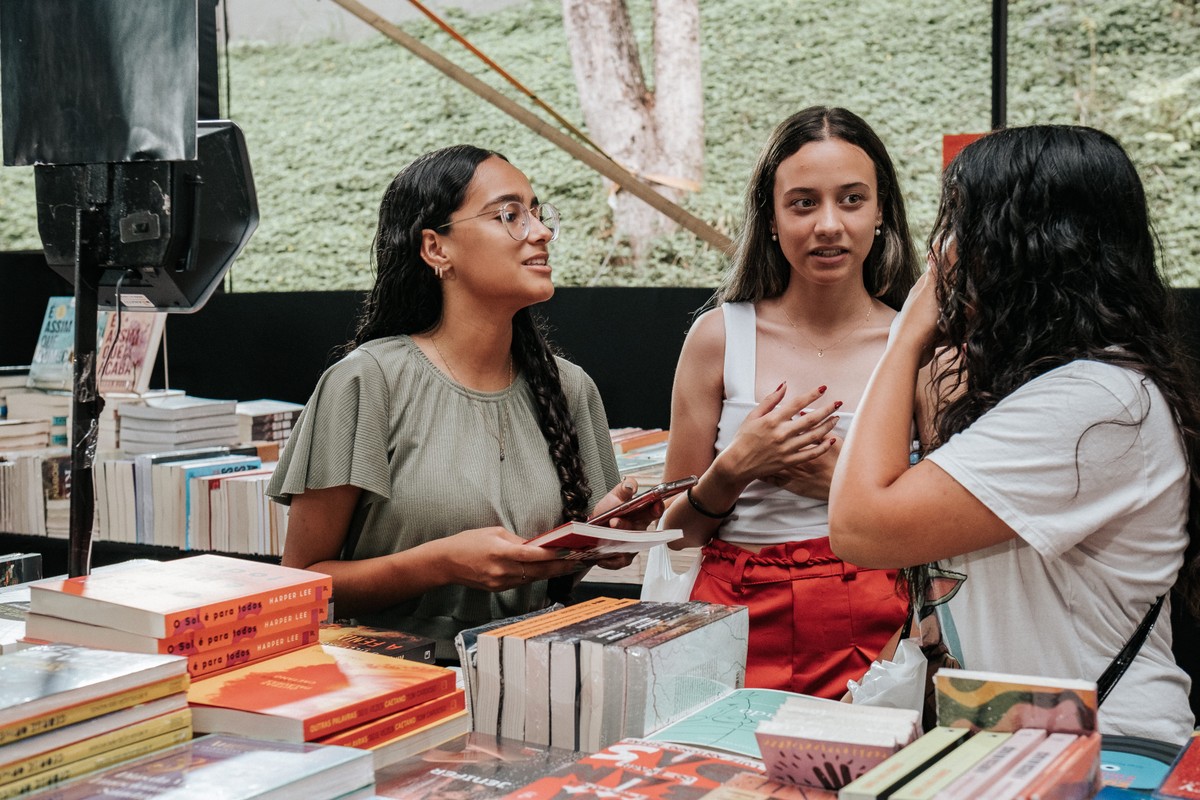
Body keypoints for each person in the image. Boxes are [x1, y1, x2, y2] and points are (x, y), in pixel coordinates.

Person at [828, 125, 1199, 743]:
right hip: (1033, 743)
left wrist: (906, 337)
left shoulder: (1095, 403)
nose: (944, 250)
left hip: (1105, 755)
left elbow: (860, 526)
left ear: (1027, 249)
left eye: (963, 226)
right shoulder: (1071, 390)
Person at [267, 144, 654, 661]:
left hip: (533, 679)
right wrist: (441, 563)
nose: (540, 232)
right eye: (509, 215)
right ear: (436, 249)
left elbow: (540, 575)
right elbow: (302, 582)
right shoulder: (366, 380)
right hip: (392, 686)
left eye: (538, 213)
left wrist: (594, 540)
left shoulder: (571, 388)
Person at [657, 107, 919, 697]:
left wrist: (842, 484)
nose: (829, 224)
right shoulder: (719, 338)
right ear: (771, 218)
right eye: (803, 203)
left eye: (852, 199)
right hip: (729, 618)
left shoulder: (916, 345)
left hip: (879, 626)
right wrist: (734, 469)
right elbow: (672, 540)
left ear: (881, 214)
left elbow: (946, 531)